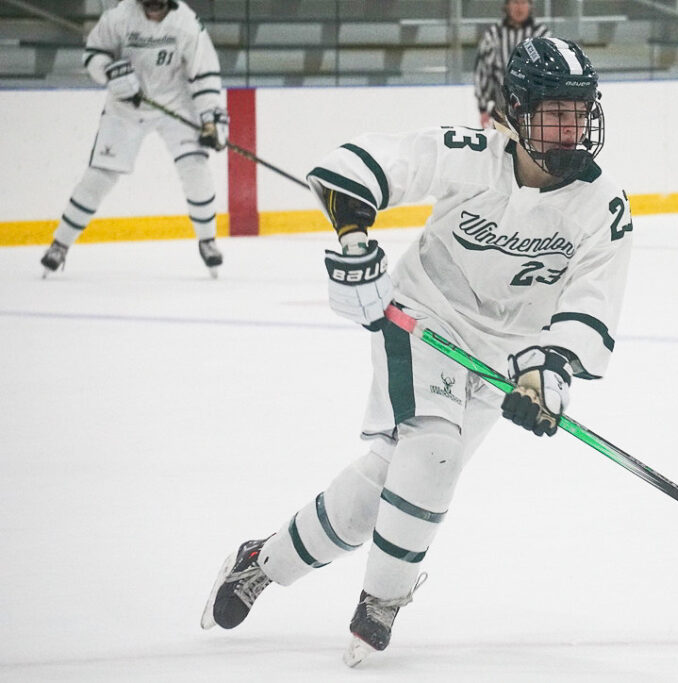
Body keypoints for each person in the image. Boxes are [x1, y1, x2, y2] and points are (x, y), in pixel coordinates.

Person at [200, 36, 633, 667]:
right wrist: (354, 242)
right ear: (514, 111)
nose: (569, 129)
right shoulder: (471, 156)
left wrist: (548, 376)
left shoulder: (604, 207)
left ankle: (263, 562)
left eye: (578, 112)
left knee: (389, 482)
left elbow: (590, 305)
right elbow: (357, 166)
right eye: (552, 112)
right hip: (424, 317)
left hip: (507, 360)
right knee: (430, 452)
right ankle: (383, 600)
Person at [40, 0, 229, 278]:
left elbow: (204, 74)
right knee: (99, 176)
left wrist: (211, 118)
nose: (152, 9)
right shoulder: (118, 17)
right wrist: (109, 71)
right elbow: (93, 54)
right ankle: (60, 244)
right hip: (125, 106)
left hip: (175, 104)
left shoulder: (187, 24)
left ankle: (207, 240)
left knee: (195, 169)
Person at [473, 0, 549, 128]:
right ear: (507, 6)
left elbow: (548, 72)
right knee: (501, 147)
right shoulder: (494, 34)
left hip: (536, 111)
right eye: (515, 2)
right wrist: (483, 108)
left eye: (524, 2)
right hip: (502, 110)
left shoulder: (541, 33)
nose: (519, 7)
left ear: (530, 6)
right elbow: (483, 72)